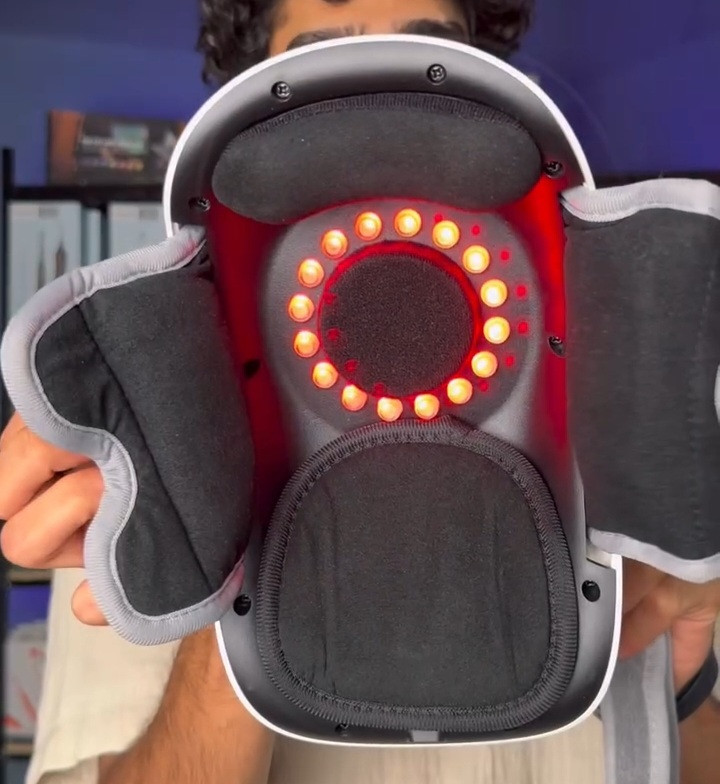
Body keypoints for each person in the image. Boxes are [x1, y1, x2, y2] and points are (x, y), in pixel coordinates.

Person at [0, 1, 718, 782]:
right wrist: (231, 569)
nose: (382, 87)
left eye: (427, 47)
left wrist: (672, 687)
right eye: (319, 54)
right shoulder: (148, 471)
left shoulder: (631, 422)